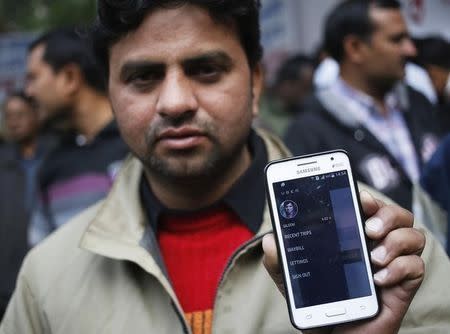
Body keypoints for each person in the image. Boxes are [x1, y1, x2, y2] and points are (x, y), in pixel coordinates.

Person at [1, 1, 449, 333]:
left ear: (255, 83)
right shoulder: (47, 278)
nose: (175, 102)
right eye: (143, 77)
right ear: (112, 95)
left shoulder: (387, 252)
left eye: (206, 70)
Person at [284, 0, 440, 211]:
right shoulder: (309, 133)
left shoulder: (418, 102)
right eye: (397, 40)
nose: (410, 50)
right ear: (355, 48)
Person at [25, 28, 129, 245]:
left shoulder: (138, 147)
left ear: (70, 78)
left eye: (33, 78)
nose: (29, 92)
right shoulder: (52, 167)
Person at [0, 91, 52, 320]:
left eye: (20, 114)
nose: (14, 121)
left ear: (36, 115)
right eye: (9, 116)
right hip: (8, 277)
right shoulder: (2, 162)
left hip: (52, 270)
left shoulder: (58, 156)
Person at [256, 54, 315, 137]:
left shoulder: (299, 122)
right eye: (305, 88)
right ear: (288, 83)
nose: (308, 94)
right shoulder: (258, 95)